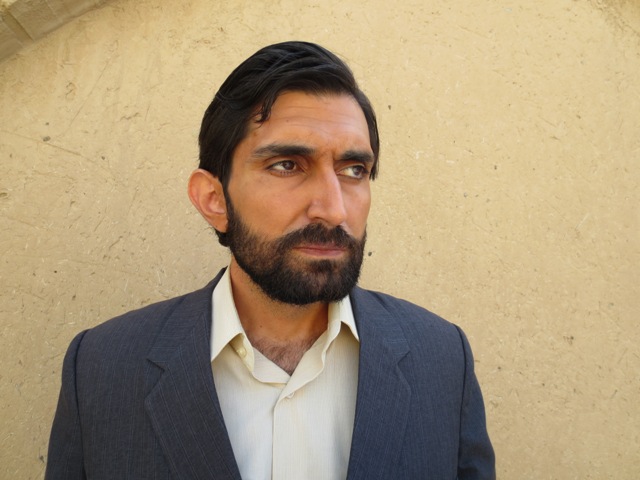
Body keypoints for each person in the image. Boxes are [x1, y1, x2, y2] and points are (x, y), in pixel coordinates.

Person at [45, 41, 495, 479]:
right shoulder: (102, 370)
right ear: (214, 199)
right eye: (287, 165)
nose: (333, 209)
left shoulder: (442, 361)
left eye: (354, 170)